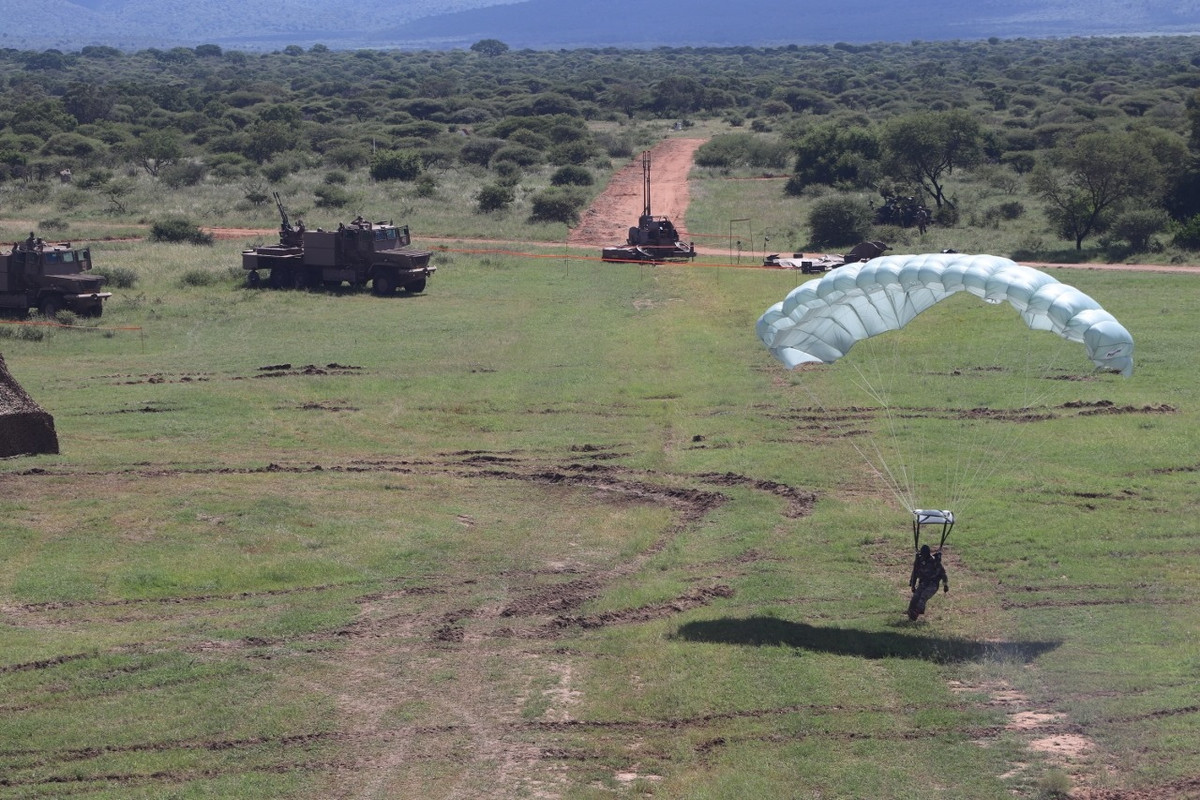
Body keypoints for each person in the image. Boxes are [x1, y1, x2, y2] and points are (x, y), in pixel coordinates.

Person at [907, 544, 948, 620]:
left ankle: (917, 612)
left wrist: (945, 585)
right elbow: (915, 573)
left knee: (923, 596)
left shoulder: (934, 562)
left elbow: (943, 574)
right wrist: (913, 585)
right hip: (923, 583)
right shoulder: (919, 562)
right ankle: (910, 612)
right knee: (915, 597)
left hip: (933, 584)